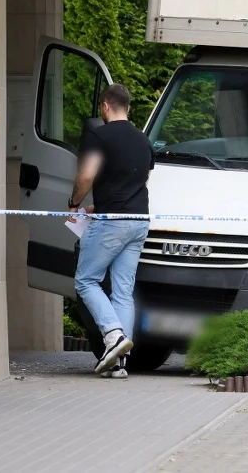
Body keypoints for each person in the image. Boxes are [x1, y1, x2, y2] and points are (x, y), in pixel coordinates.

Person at [67, 84, 155, 377]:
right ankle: (119, 363)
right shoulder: (144, 141)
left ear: (105, 106)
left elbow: (87, 176)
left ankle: (113, 335)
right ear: (127, 107)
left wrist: (75, 203)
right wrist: (102, 203)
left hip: (112, 221)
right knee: (123, 291)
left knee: (86, 281)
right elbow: (135, 181)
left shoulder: (99, 135)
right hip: (138, 221)